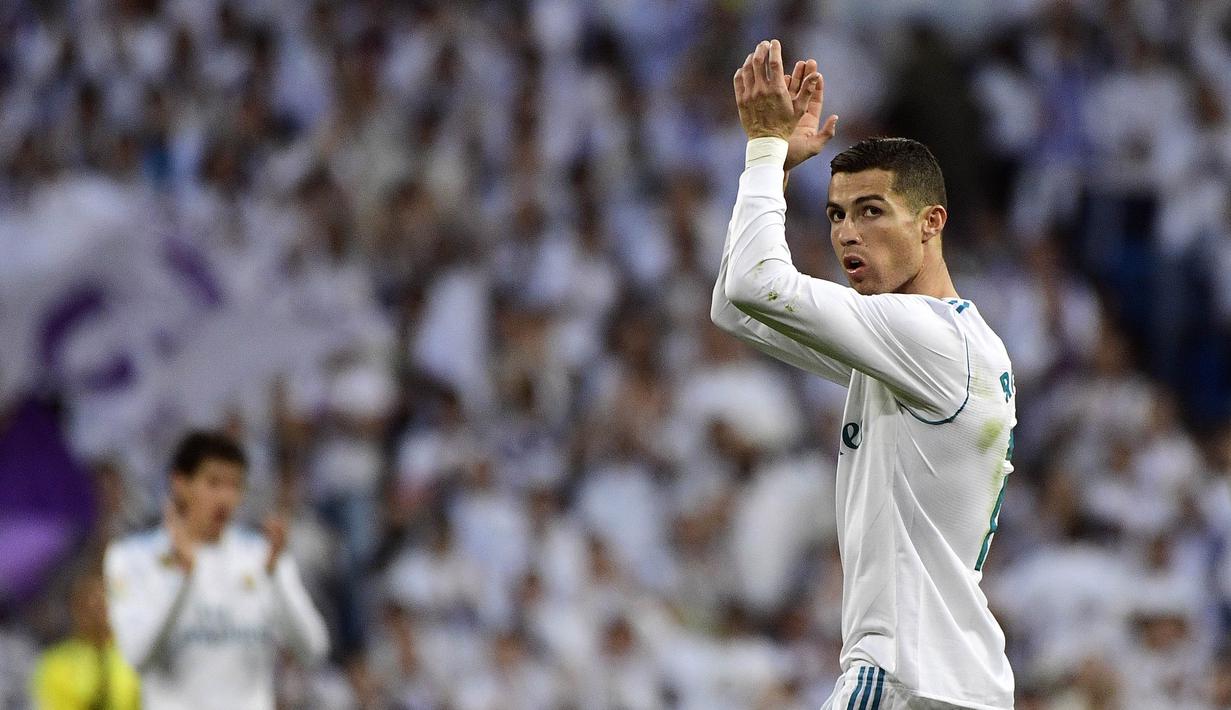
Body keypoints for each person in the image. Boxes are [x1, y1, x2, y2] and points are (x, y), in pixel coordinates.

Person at [712, 40, 1016, 709]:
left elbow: (751, 284)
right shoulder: (936, 347)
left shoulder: (923, 335)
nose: (847, 233)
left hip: (901, 674)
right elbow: (736, 309)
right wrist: (781, 170)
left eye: (871, 211)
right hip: (958, 683)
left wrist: (762, 153)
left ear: (930, 223)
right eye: (836, 215)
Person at [103, 431, 329, 709]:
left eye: (235, 486)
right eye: (213, 483)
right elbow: (136, 656)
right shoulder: (132, 557)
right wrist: (182, 581)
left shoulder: (262, 555)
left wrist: (276, 578)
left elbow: (314, 651)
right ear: (180, 483)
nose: (225, 498)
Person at [30, 568, 141, 709]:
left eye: (101, 599)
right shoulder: (56, 665)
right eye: (85, 602)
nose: (94, 609)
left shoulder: (136, 646)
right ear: (72, 609)